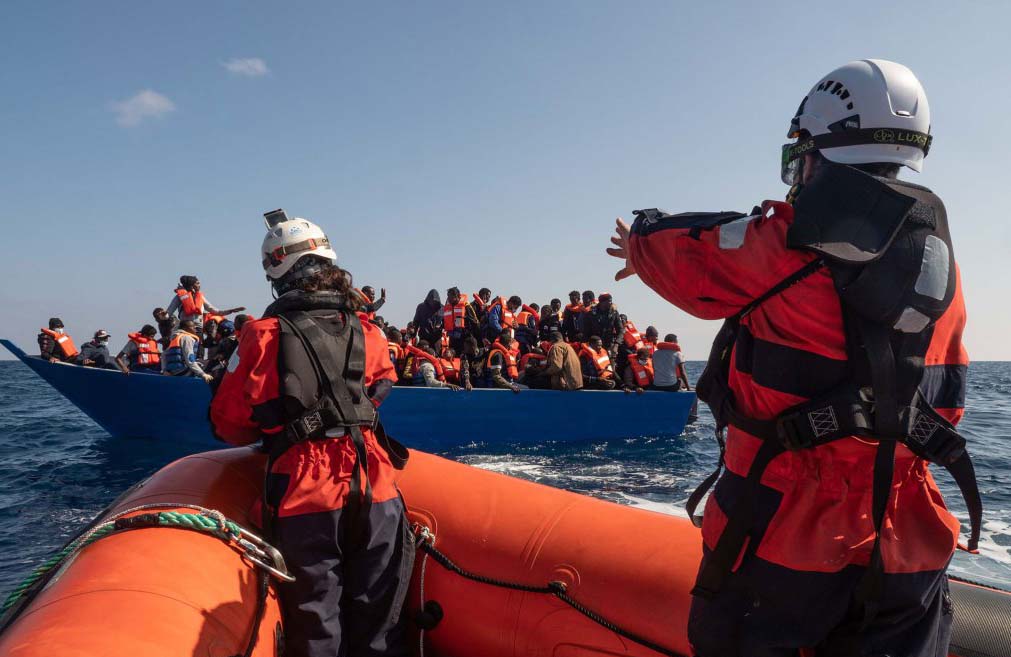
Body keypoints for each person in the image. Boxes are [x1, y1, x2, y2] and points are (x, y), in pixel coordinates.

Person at [607, 60, 977, 656]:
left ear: (816, 153)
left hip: (783, 532)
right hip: (908, 533)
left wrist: (638, 241)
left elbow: (685, 252)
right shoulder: (946, 270)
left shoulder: (781, 245)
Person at [209, 209, 412, 657]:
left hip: (307, 496)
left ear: (277, 271)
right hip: (376, 486)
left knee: (316, 626)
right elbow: (377, 391)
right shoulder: (369, 330)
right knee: (380, 621)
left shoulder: (262, 335)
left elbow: (229, 423)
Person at [166, 275, 244, 336]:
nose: (199, 285)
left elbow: (215, 311)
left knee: (199, 350)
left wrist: (231, 311)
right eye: (197, 283)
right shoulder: (180, 297)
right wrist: (162, 316)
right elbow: (168, 313)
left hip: (198, 328)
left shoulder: (200, 297)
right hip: (185, 328)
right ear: (191, 286)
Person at [441, 287, 469, 353]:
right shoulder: (447, 307)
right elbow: (444, 320)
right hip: (451, 338)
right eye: (448, 296)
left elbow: (473, 321)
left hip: (463, 338)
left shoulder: (466, 306)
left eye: (450, 297)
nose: (448, 299)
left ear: (456, 296)